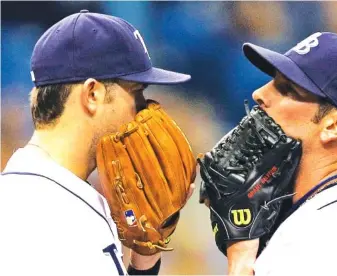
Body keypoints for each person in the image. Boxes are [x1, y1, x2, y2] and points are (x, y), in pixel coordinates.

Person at [0, 10, 194, 275]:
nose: (144, 110)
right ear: (92, 94)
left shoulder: (49, 195)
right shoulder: (39, 216)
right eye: (137, 94)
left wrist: (145, 258)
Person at [224, 32, 337, 275]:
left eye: (287, 90)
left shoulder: (326, 235)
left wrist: (240, 260)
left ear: (335, 125)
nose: (259, 93)